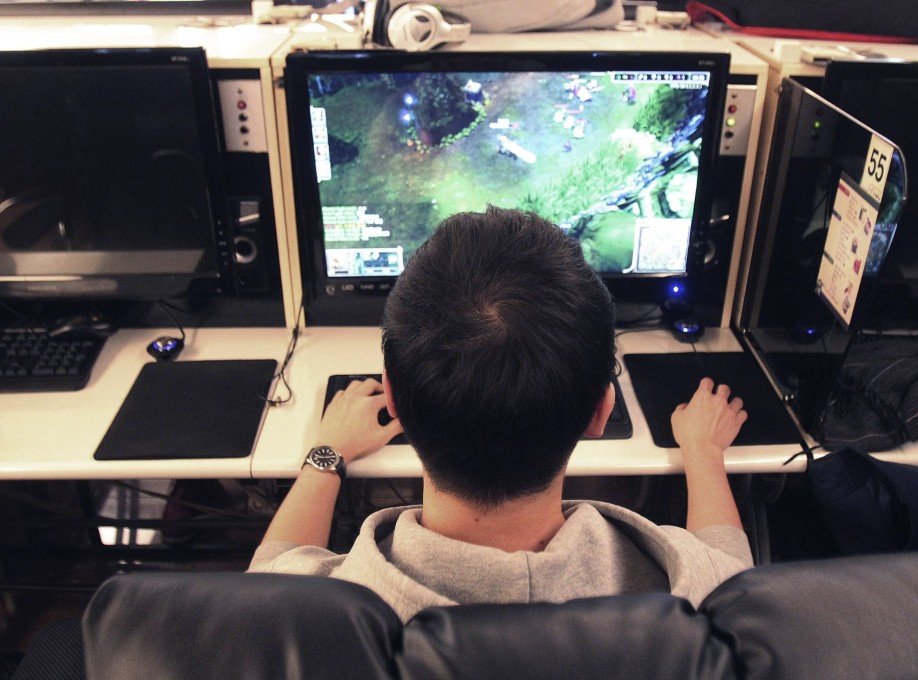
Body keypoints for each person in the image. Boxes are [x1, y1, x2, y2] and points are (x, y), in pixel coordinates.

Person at [248, 206, 752, 621]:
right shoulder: (696, 595)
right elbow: (730, 562)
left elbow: (269, 568)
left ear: (394, 399)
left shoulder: (300, 616)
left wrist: (328, 453)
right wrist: (704, 454)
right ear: (602, 411)